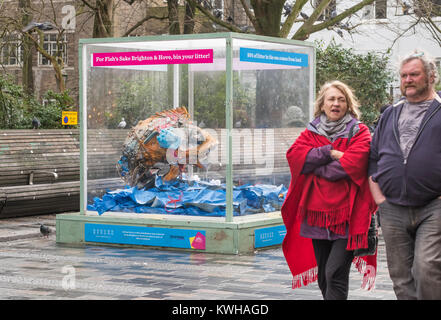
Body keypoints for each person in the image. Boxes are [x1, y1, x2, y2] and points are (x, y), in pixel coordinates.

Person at [282, 80, 377, 300]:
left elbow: (352, 165)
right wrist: (330, 153)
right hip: (316, 215)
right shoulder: (311, 131)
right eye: (331, 99)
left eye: (341, 99)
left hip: (349, 215)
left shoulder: (360, 131)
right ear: (322, 104)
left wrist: (314, 165)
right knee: (324, 278)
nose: (336, 104)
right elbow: (295, 158)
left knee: (334, 273)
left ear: (348, 104)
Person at [368, 50, 441, 300]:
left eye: (414, 74)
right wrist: (379, 199)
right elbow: (374, 157)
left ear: (431, 77)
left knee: (427, 268)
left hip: (434, 206)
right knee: (400, 276)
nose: (407, 80)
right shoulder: (390, 113)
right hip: (392, 207)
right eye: (403, 75)